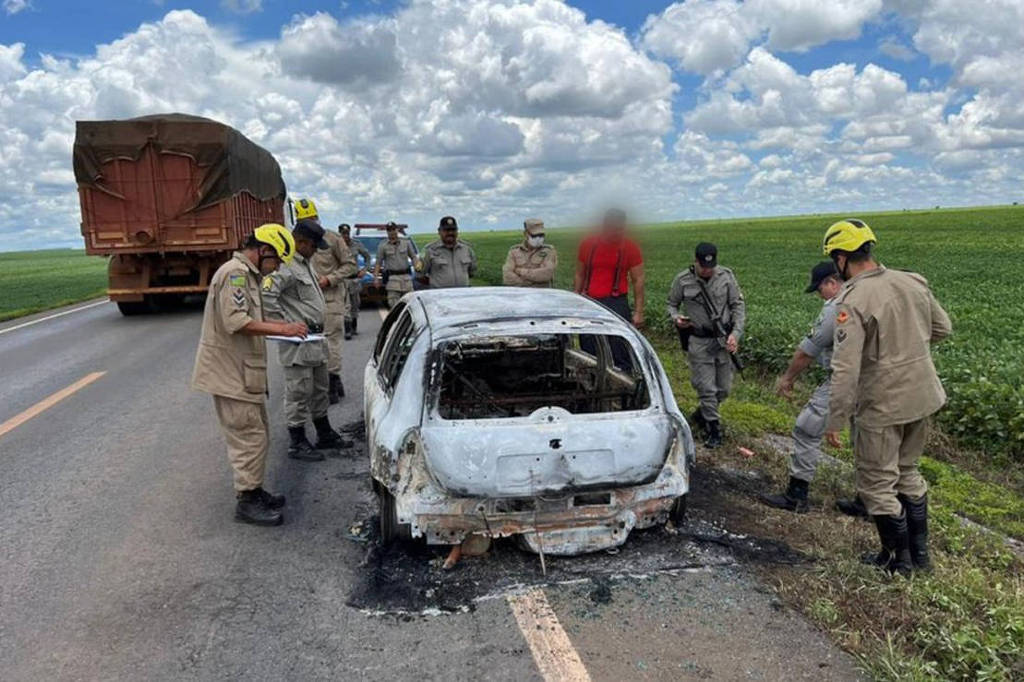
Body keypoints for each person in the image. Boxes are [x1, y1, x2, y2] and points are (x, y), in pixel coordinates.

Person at [822, 218, 952, 575]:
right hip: (922, 395)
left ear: (841, 258)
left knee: (877, 482)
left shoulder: (853, 299)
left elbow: (845, 370)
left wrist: (835, 420)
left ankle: (900, 562)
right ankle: (920, 558)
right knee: (908, 472)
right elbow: (943, 328)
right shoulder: (911, 281)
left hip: (883, 403)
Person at [190, 224, 308, 527]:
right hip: (231, 374)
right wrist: (283, 329)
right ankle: (247, 500)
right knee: (248, 437)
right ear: (263, 249)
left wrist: (288, 326)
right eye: (276, 260)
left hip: (243, 373)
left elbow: (255, 318)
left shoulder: (248, 276)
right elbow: (236, 321)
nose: (277, 267)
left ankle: (254, 491)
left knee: (257, 433)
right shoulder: (236, 274)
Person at [760, 261, 868, 514]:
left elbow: (808, 350)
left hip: (845, 378)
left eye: (819, 290)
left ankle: (797, 495)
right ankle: (869, 501)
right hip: (877, 380)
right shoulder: (869, 297)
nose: (820, 296)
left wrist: (788, 378)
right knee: (866, 438)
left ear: (832, 283)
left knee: (807, 428)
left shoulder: (837, 306)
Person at [263, 220, 352, 463]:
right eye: (313, 245)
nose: (316, 250)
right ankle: (297, 440)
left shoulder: (305, 263)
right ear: (300, 242)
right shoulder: (286, 266)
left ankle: (324, 433)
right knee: (298, 391)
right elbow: (267, 294)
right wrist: (284, 325)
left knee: (320, 388)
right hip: (298, 341)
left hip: (315, 337)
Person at [666, 242, 745, 449]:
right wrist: (676, 318)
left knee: (724, 389)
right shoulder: (683, 280)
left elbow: (737, 305)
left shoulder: (726, 276)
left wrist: (735, 334)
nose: (708, 270)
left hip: (722, 340)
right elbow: (671, 303)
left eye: (711, 266)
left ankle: (702, 415)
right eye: (703, 267)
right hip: (699, 341)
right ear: (696, 261)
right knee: (707, 389)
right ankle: (713, 430)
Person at [300, 201, 356, 404]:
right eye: (303, 221)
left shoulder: (332, 239)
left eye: (311, 219)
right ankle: (322, 381)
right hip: (306, 302)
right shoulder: (296, 241)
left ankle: (332, 382)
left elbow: (350, 265)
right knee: (311, 343)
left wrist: (329, 279)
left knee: (330, 341)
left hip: (330, 298)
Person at [574, 208, 645, 327]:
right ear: (605, 226)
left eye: (621, 229)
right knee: (589, 341)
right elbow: (579, 274)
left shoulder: (630, 247)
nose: (618, 233)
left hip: (617, 303)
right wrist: (576, 296)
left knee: (617, 343)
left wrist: (639, 312)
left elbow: (638, 279)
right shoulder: (587, 244)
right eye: (614, 229)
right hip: (589, 301)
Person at [417, 216, 478, 288]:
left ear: (457, 231)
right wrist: (434, 284)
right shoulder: (430, 250)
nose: (450, 233)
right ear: (439, 231)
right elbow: (419, 275)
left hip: (463, 294)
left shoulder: (466, 249)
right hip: (440, 295)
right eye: (446, 230)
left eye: (453, 230)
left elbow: (471, 272)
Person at [502, 218, 557, 287]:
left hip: (542, 293)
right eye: (534, 235)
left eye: (541, 235)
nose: (538, 238)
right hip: (519, 293)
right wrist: (527, 284)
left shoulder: (549, 251)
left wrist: (520, 271)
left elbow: (546, 274)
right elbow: (507, 276)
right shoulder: (514, 251)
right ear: (526, 234)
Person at [373, 221, 417, 307]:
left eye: (393, 229)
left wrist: (417, 266)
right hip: (392, 279)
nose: (392, 232)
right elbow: (378, 263)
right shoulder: (383, 246)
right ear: (387, 232)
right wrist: (376, 278)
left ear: (397, 230)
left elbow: (413, 257)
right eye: (389, 230)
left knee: (411, 304)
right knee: (394, 305)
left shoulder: (406, 243)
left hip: (406, 278)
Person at [339, 223, 370, 338]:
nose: (345, 236)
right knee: (346, 305)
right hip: (343, 280)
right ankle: (347, 330)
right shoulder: (337, 246)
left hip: (355, 279)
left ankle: (354, 326)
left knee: (355, 304)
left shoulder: (356, 244)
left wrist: (365, 270)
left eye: (347, 233)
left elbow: (367, 256)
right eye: (343, 234)